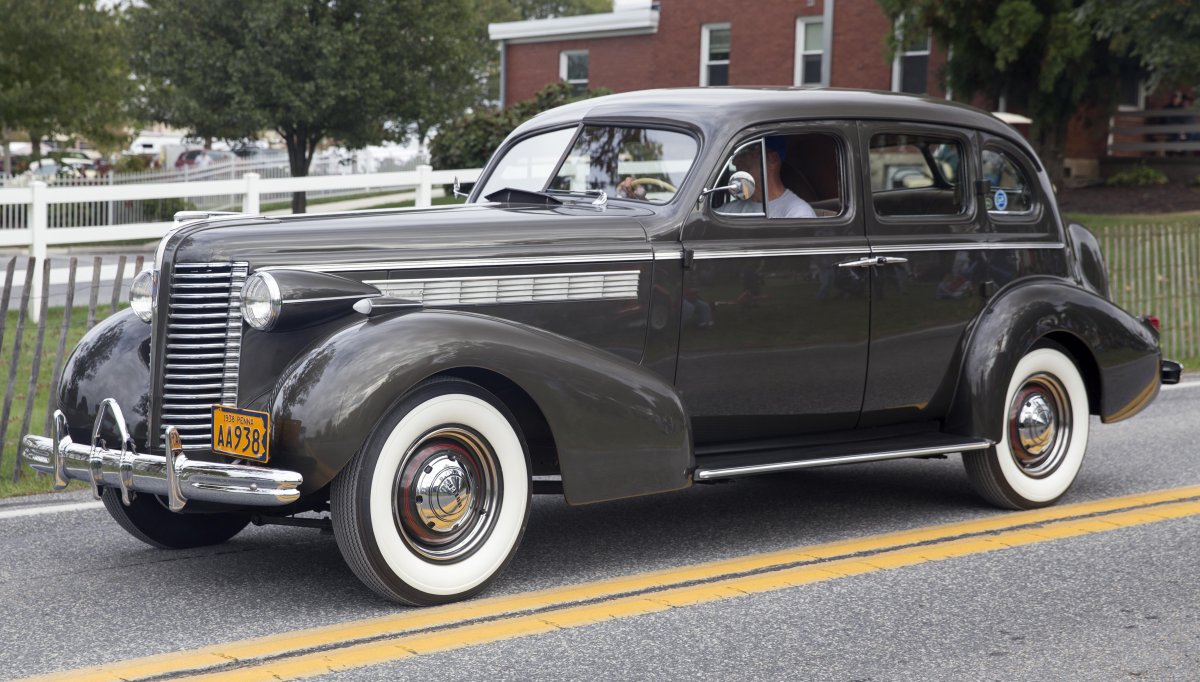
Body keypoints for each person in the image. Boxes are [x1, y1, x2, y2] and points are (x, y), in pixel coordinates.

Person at [718, 137, 815, 218]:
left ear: (773, 158)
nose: (735, 162)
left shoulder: (797, 213)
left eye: (744, 153)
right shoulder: (727, 211)